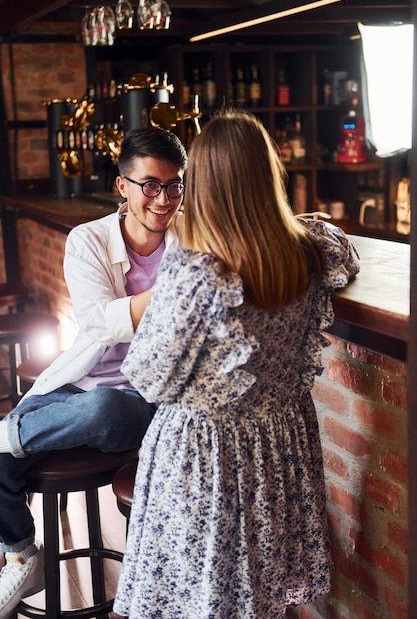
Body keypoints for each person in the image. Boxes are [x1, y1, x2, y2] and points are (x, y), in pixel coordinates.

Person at [113, 110, 360, 619]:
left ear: (204, 183)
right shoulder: (308, 252)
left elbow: (147, 374)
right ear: (268, 176)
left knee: (204, 600)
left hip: (208, 457)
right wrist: (300, 223)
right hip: (280, 447)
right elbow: (345, 251)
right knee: (258, 597)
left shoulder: (198, 268)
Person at [0, 126, 188, 618]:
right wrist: (181, 290)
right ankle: (21, 553)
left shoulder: (194, 239)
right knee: (0, 459)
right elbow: (99, 322)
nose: (163, 199)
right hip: (75, 386)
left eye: (174, 185)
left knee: (100, 408)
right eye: (150, 185)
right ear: (122, 186)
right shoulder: (88, 239)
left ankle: (9, 433)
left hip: (144, 398)